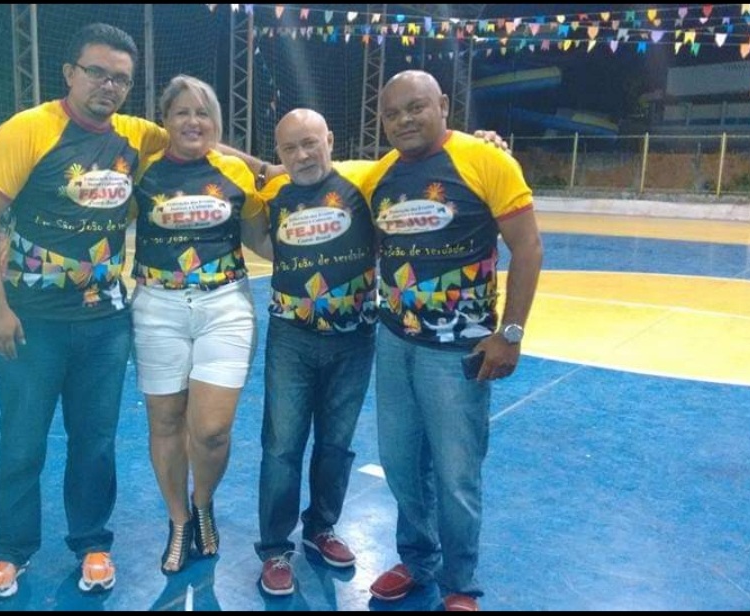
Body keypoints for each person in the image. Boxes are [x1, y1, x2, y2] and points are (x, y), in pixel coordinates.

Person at [0, 23, 170, 600]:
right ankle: (11, 550)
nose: (109, 85)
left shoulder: (136, 135)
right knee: (22, 441)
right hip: (31, 323)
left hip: (105, 326)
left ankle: (92, 542)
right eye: (97, 72)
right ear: (69, 73)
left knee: (95, 442)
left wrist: (267, 169)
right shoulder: (29, 129)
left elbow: (197, 137)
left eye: (121, 78)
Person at [364, 70, 543, 612]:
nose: (404, 120)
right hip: (394, 343)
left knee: (456, 473)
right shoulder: (378, 176)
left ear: (442, 104)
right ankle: (417, 559)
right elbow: (304, 168)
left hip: (458, 353)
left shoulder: (485, 161)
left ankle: (459, 583)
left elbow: (528, 248)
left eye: (415, 107)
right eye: (392, 113)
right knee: (400, 463)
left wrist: (509, 334)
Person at [130, 75, 269, 575]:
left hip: (225, 307)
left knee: (211, 430)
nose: (193, 121)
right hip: (156, 309)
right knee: (165, 422)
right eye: (182, 112)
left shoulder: (234, 171)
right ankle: (179, 520)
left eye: (203, 113)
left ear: (217, 122)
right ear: (164, 120)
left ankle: (203, 501)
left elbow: (262, 240)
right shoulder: (142, 169)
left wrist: (325, 248)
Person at [253, 109, 379, 596]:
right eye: (290, 148)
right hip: (291, 338)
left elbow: (425, 154)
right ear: (279, 155)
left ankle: (321, 528)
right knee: (281, 445)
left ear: (330, 139)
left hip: (354, 338)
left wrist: (486, 139)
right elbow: (227, 162)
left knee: (336, 442)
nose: (302, 155)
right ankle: (274, 547)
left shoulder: (365, 181)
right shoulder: (271, 195)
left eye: (310, 143)